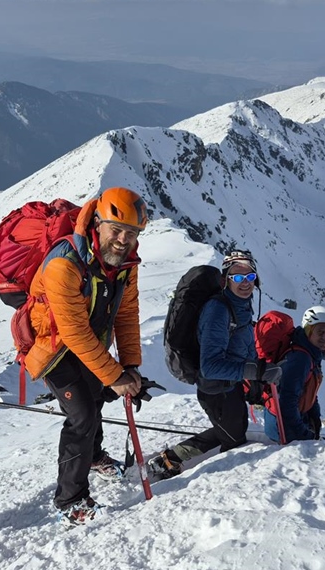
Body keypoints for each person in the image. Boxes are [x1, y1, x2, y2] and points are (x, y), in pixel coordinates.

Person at [24, 187, 147, 525]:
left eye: (132, 233)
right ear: (97, 222)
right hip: (52, 348)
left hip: (89, 341)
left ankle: (92, 456)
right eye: (117, 229)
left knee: (95, 399)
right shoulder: (65, 263)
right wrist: (116, 376)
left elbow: (126, 312)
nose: (124, 240)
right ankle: (70, 498)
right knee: (81, 416)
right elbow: (73, 333)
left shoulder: (126, 262)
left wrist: (130, 365)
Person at [148, 250, 281, 480]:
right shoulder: (218, 311)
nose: (245, 283)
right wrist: (255, 371)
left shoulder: (241, 304)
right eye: (238, 277)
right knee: (233, 438)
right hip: (215, 389)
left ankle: (169, 459)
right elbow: (210, 366)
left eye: (249, 277)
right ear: (226, 279)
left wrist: (255, 376)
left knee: (232, 432)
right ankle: (177, 465)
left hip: (232, 384)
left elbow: (243, 344)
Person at [264, 305, 325, 443]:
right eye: (320, 332)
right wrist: (303, 434)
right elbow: (287, 400)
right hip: (282, 427)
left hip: (291, 419)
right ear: (308, 331)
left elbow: (309, 391)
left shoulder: (311, 354)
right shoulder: (300, 359)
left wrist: (315, 418)